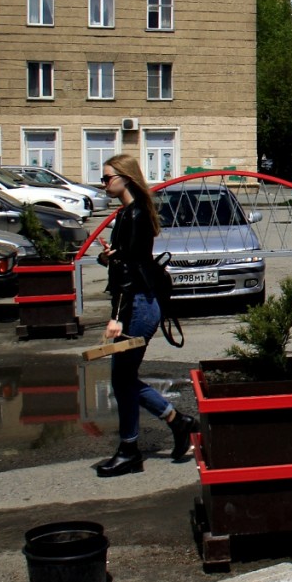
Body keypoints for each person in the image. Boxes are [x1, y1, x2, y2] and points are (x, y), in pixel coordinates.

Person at [94, 153, 197, 477]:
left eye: (107, 177)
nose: (103, 183)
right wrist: (110, 256)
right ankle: (176, 424)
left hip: (137, 305)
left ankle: (132, 449)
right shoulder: (129, 213)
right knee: (123, 379)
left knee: (122, 379)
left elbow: (130, 272)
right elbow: (130, 260)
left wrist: (118, 318)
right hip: (137, 302)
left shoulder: (135, 214)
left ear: (125, 177)